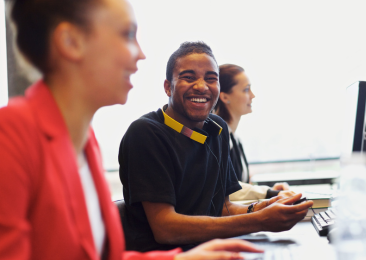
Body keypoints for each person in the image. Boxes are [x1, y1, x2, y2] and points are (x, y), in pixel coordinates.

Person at [0, 0, 263, 259]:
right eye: (127, 35)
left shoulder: (84, 142)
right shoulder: (11, 137)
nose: (140, 53)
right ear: (71, 42)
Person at [118, 41, 314, 252]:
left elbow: (223, 208)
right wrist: (259, 220)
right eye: (188, 77)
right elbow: (166, 228)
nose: (201, 86)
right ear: (168, 87)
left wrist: (263, 207)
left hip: (207, 250)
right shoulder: (146, 133)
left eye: (211, 79)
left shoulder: (217, 128)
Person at [214, 64, 295, 200]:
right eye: (246, 90)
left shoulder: (235, 138)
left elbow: (241, 187)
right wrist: (268, 193)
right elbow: (227, 189)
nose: (252, 95)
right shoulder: (216, 139)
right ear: (224, 96)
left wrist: (271, 191)